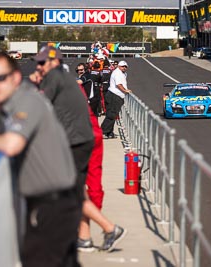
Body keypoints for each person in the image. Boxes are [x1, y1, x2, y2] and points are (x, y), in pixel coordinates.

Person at [0, 50, 81, 267]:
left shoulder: (27, 100)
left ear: (15, 77)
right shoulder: (20, 100)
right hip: (57, 203)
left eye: (0, 78)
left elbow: (12, 145)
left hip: (52, 206)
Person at [32, 46, 95, 204]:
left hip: (75, 141)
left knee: (67, 190)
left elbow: (38, 104)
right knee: (75, 189)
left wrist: (34, 84)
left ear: (54, 62)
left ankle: (104, 226)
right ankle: (101, 227)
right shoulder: (62, 75)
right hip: (80, 138)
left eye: (41, 62)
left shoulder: (55, 75)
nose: (38, 67)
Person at [76, 63, 127, 252]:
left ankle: (108, 228)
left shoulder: (72, 84)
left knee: (72, 191)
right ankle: (84, 237)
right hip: (88, 134)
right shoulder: (76, 86)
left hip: (81, 138)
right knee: (83, 190)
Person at [101, 60, 132, 139]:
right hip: (114, 96)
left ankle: (109, 132)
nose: (124, 68)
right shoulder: (117, 73)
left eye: (125, 66)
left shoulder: (123, 73)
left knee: (112, 115)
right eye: (122, 66)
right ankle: (103, 131)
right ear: (118, 66)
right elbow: (118, 84)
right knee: (111, 115)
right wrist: (125, 91)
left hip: (116, 95)